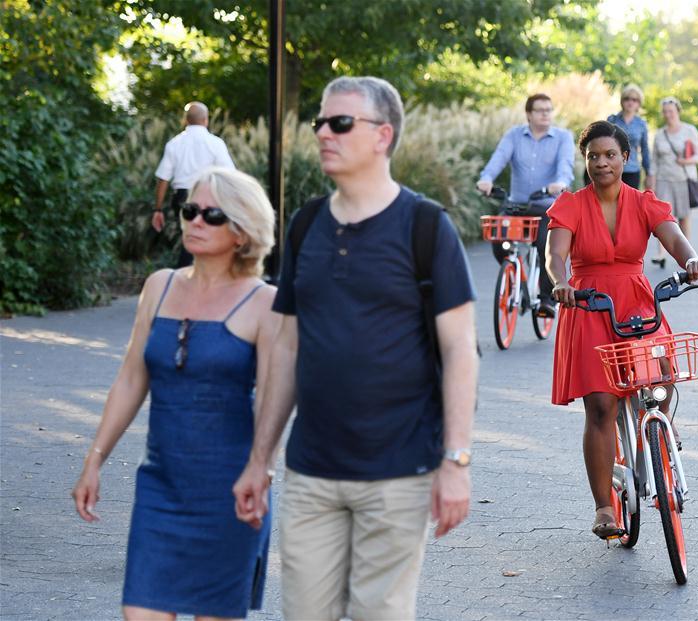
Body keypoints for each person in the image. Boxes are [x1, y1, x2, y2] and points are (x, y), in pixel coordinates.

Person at [232, 76, 479, 621]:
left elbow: (462, 351)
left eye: (339, 123)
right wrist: (259, 460)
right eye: (320, 122)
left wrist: (456, 461)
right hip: (311, 472)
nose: (323, 132)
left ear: (382, 135)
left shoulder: (425, 227)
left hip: (399, 473)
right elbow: (287, 350)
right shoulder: (305, 226)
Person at [72, 167, 277, 620]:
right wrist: (94, 459)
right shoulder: (158, 286)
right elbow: (130, 378)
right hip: (160, 488)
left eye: (211, 214)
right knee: (139, 610)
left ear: (242, 232)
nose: (195, 221)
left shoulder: (263, 302)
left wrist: (261, 470)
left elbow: (273, 401)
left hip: (231, 492)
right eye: (189, 210)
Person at [545, 120, 698, 539]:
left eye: (610, 155)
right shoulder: (571, 205)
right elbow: (555, 255)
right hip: (588, 305)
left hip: (636, 301)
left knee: (662, 379)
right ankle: (604, 506)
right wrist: (560, 283)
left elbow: (674, 239)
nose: (602, 163)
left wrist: (690, 261)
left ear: (626, 158)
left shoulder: (644, 202)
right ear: (586, 160)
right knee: (600, 406)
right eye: (593, 156)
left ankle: (660, 434)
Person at [477, 93, 575, 317]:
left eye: (549, 110)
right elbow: (498, 158)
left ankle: (546, 299)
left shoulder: (562, 137)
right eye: (540, 110)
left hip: (546, 207)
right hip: (516, 206)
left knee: (546, 247)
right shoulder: (514, 135)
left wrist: (560, 183)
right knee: (497, 237)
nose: (545, 114)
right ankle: (513, 275)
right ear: (529, 114)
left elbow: (565, 166)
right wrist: (487, 179)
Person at [152, 102, 236, 267]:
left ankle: (187, 275)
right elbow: (229, 174)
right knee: (208, 237)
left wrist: (158, 209)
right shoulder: (216, 143)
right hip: (210, 197)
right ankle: (195, 275)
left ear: (186, 120)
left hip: (183, 198)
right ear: (206, 120)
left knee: (189, 236)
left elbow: (163, 178)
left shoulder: (174, 144)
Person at [650, 96, 698, 269]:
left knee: (684, 217)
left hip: (683, 179)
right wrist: (652, 182)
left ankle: (688, 256)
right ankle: (661, 254)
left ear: (678, 111)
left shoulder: (689, 130)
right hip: (664, 179)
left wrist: (686, 161)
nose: (668, 115)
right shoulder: (659, 134)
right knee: (662, 217)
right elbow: (654, 162)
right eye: (665, 112)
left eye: (671, 111)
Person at [587, 84, 654, 191]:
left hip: (632, 170)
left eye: (634, 99)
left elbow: (645, 149)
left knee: (629, 205)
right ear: (622, 101)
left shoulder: (641, 124)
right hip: (611, 169)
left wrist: (649, 173)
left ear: (639, 103)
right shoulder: (612, 120)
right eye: (627, 99)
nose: (630, 102)